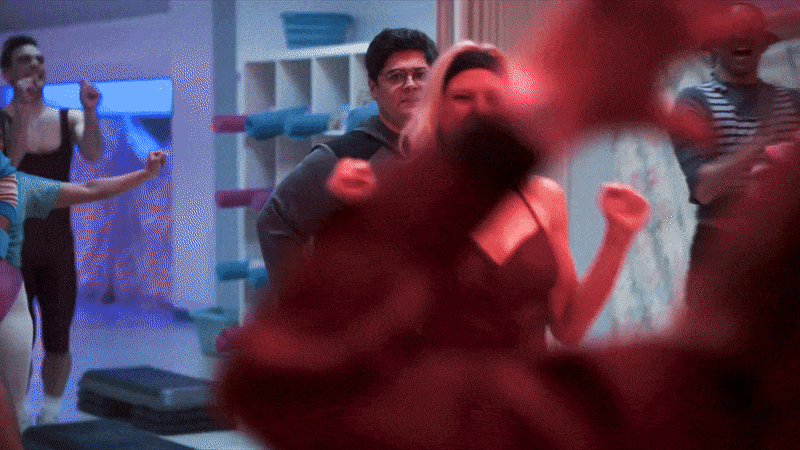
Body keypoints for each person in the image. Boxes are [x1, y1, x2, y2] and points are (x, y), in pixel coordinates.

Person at [217, 42, 649, 450]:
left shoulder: (545, 196)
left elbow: (568, 328)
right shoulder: (410, 200)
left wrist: (618, 235)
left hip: (523, 420)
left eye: (494, 98)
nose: (480, 110)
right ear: (436, 108)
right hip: (437, 424)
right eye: (462, 98)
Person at [257, 28, 438, 292]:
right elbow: (275, 221)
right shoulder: (342, 157)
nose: (410, 84)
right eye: (396, 76)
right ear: (374, 88)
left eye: (420, 75)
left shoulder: (445, 151)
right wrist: (302, 300)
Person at [0, 150, 166, 431]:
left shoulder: (19, 185)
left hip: (9, 305)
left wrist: (145, 174)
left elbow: (91, 189)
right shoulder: (18, 185)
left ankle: (36, 421)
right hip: (11, 306)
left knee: (13, 414)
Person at [0, 34, 105, 425]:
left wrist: (90, 111)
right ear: (7, 73)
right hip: (13, 249)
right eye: (24, 61)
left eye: (39, 60)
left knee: (59, 337)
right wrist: (22, 114)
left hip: (58, 245)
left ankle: (50, 416)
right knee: (17, 342)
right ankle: (18, 415)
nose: (35, 66)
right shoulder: (2, 121)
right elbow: (8, 165)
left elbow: (93, 152)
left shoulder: (69, 118)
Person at [670, 2, 800, 309]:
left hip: (782, 251)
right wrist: (759, 143)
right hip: (718, 249)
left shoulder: (793, 102)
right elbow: (703, 189)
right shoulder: (693, 101)